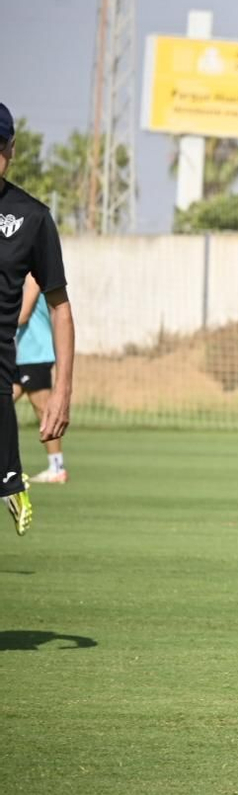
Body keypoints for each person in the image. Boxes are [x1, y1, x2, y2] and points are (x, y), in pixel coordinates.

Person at [0, 102, 73, 535]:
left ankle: (13, 478)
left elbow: (60, 306)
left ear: (11, 147)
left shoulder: (31, 218)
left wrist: (62, 390)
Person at [15, 274, 67, 483]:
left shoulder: (34, 277)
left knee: (44, 411)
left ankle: (57, 468)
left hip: (36, 354)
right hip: (21, 355)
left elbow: (23, 315)